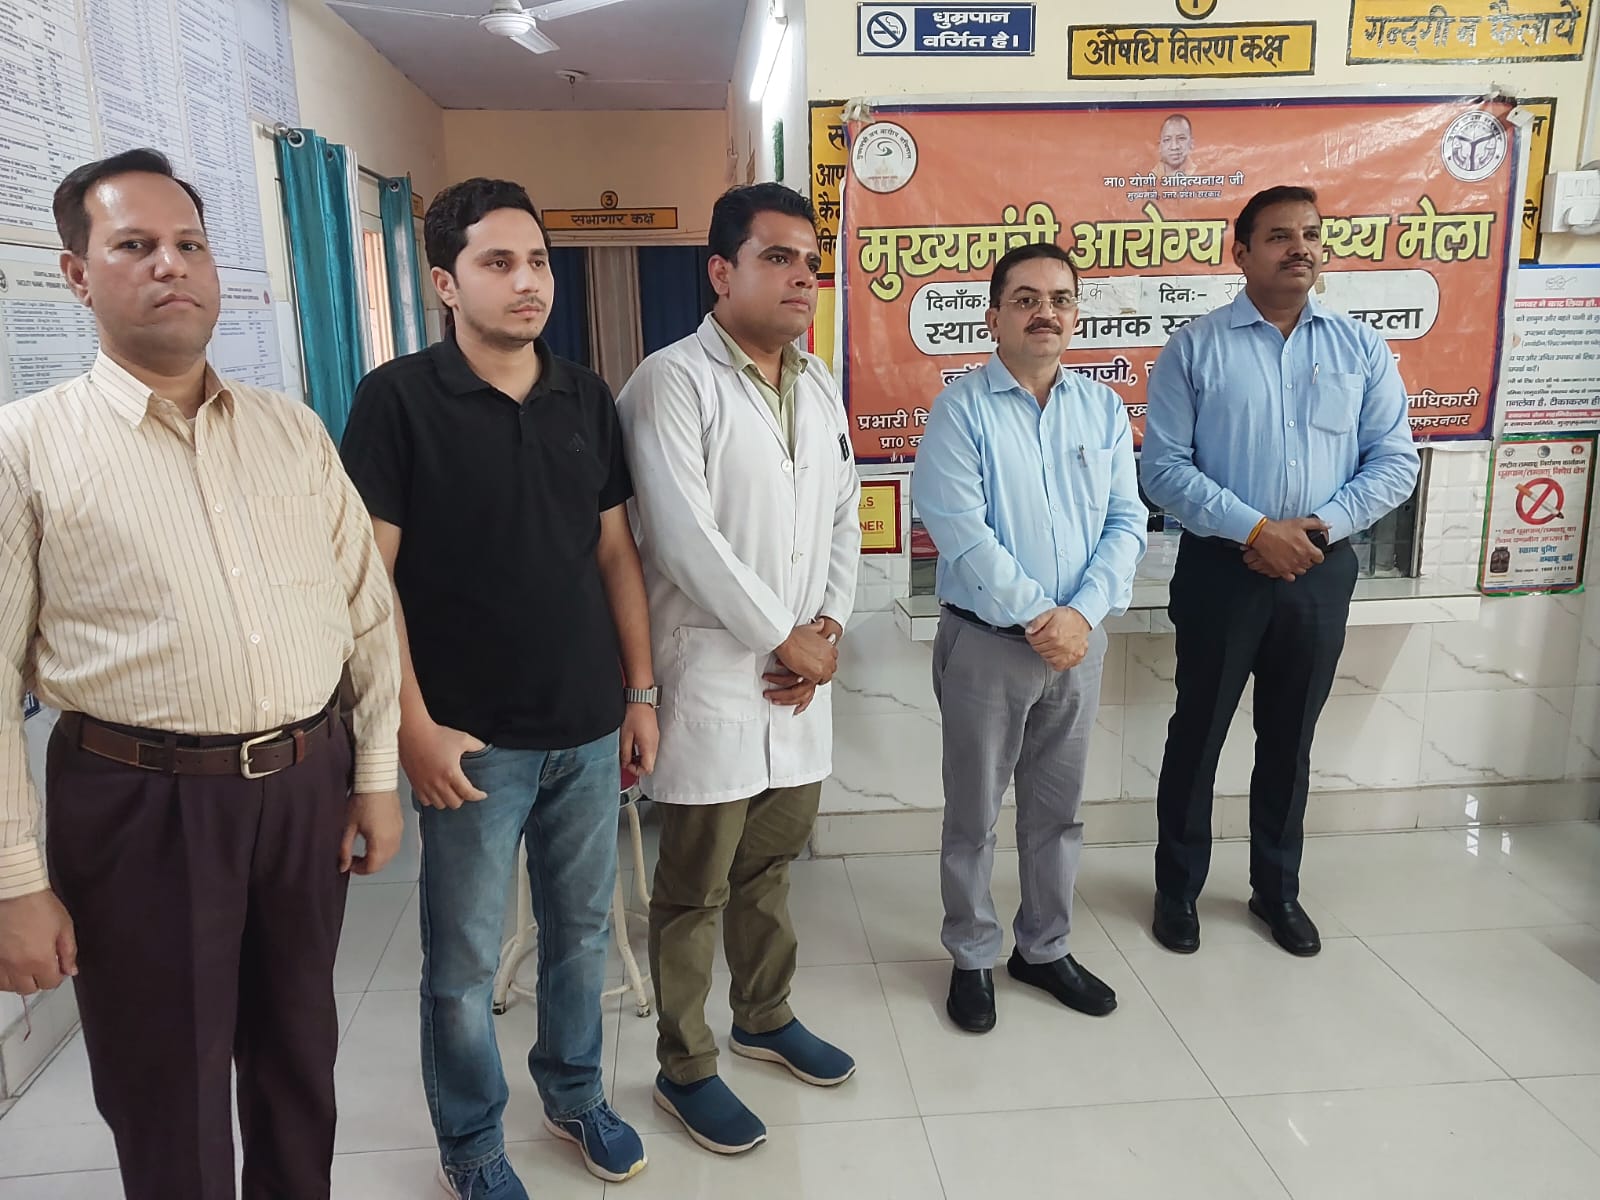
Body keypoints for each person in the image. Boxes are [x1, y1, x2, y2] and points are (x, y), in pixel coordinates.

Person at [0, 148, 403, 1200]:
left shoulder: (290, 430)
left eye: (189, 243)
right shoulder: (25, 447)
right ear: (77, 275)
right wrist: (13, 882)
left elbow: (365, 613)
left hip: (303, 790)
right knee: (166, 1087)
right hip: (139, 805)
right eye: (135, 245)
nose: (170, 265)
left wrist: (372, 776)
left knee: (297, 1063)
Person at [340, 178, 657, 1198]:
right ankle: (472, 1141)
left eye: (538, 262)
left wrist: (639, 692)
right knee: (465, 963)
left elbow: (614, 554)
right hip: (469, 742)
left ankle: (574, 1093)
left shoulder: (585, 396)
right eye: (498, 263)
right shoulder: (398, 401)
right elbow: (370, 583)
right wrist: (412, 728)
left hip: (587, 726)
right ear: (445, 281)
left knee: (583, 935)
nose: (529, 283)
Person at [616, 183, 861, 1156]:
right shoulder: (672, 382)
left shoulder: (818, 381)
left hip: (798, 681)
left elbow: (841, 514)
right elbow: (683, 539)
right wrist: (783, 638)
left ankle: (764, 1014)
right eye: (777, 257)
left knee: (770, 867)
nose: (802, 277)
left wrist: (828, 627)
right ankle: (685, 1065)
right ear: (721, 271)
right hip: (714, 679)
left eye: (811, 262)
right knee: (693, 889)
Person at [1140, 185, 1420, 958]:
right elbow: (1163, 469)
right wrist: (1258, 530)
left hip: (1320, 570)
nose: (1300, 247)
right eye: (1278, 236)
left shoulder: (1360, 348)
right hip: (1221, 569)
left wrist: (1316, 529)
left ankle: (1277, 890)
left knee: (1290, 740)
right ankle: (1177, 891)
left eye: (1311, 234)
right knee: (1197, 733)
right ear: (1240, 253)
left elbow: (1395, 462)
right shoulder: (1196, 348)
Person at [913, 242, 1147, 1034]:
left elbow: (1127, 521)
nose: (1045, 312)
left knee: (1058, 811)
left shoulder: (1101, 409)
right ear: (994, 317)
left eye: (1060, 298)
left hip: (1080, 644)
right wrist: (1042, 619)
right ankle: (972, 953)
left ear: (1075, 315)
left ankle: (1043, 949)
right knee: (972, 814)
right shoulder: (962, 409)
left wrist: (1082, 615)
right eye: (1025, 299)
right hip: (988, 644)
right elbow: (960, 529)